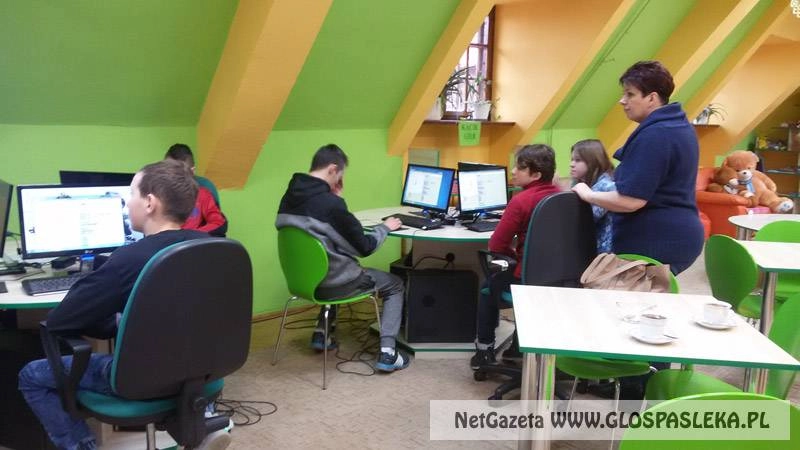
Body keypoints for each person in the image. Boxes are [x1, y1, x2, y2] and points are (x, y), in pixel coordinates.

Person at [17, 160, 230, 450]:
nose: (127, 203)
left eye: (131, 194)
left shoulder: (129, 259)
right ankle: (202, 419)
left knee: (31, 376)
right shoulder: (212, 247)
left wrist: (104, 311)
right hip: (204, 373)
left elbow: (60, 321)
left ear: (150, 203)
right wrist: (120, 319)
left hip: (141, 378)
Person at [275, 144, 410, 372]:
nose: (340, 180)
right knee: (395, 284)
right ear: (332, 169)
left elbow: (323, 239)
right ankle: (388, 352)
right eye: (340, 175)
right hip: (334, 285)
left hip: (303, 282)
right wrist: (385, 227)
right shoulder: (331, 205)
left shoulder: (289, 196)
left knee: (331, 262)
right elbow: (364, 247)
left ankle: (322, 333)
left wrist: (335, 201)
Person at [571, 60, 703, 274]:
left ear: (651, 98)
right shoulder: (678, 126)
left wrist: (588, 194)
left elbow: (631, 200)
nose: (622, 101)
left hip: (658, 240)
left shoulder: (656, 134)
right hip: (679, 233)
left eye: (630, 94)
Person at [471, 144, 561, 369]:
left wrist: (518, 257)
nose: (513, 171)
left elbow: (496, 244)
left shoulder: (521, 201)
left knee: (487, 287)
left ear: (536, 175)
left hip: (527, 278)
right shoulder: (563, 197)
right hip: (560, 279)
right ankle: (518, 347)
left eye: (520, 167)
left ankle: (484, 350)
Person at [165, 143, 228, 237]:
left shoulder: (202, 194)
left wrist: (191, 235)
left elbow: (219, 223)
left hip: (193, 241)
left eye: (180, 173)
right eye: (167, 171)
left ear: (192, 172)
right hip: (164, 242)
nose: (173, 177)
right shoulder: (157, 195)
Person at [569, 139, 616, 253]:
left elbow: (587, 219)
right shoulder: (584, 184)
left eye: (578, 160)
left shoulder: (606, 186)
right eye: (572, 160)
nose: (572, 164)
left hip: (604, 253)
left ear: (592, 161)